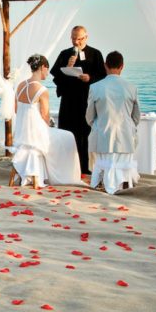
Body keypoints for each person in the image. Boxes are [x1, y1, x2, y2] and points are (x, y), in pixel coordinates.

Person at [11, 54, 82, 187]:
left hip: (22, 134)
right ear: (43, 67)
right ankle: (64, 175)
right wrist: (50, 125)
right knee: (69, 136)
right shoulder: (42, 90)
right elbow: (45, 116)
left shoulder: (20, 85)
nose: (48, 73)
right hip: (37, 136)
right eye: (47, 69)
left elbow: (16, 110)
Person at [51, 25, 107, 175]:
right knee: (68, 133)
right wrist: (67, 67)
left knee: (86, 133)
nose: (76, 42)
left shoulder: (95, 54)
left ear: (86, 37)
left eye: (79, 39)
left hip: (87, 100)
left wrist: (90, 78)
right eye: (73, 38)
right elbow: (56, 77)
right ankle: (68, 165)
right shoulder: (64, 54)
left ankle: (85, 167)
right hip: (69, 100)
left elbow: (103, 76)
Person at [85, 50, 141, 194]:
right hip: (126, 137)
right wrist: (129, 127)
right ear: (122, 66)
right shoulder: (131, 87)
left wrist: (97, 125)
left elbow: (89, 116)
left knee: (103, 159)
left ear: (105, 65)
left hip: (103, 135)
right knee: (123, 157)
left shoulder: (95, 87)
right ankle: (124, 182)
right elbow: (136, 116)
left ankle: (103, 182)